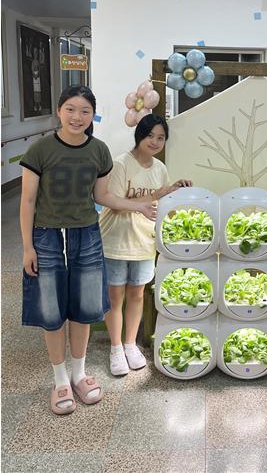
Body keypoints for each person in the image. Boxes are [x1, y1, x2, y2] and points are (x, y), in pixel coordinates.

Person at [20, 85, 156, 416]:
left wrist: (137, 206)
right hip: (47, 237)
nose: (77, 117)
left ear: (91, 115)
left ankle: (79, 374)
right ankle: (60, 380)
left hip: (87, 236)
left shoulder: (98, 151)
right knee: (51, 312)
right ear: (58, 111)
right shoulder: (40, 150)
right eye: (70, 109)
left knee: (83, 308)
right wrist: (27, 247)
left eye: (84, 111)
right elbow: (26, 201)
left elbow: (102, 197)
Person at [99, 114, 192, 376]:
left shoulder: (160, 169)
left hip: (143, 242)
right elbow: (113, 203)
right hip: (116, 241)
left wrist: (176, 191)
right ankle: (115, 348)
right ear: (139, 135)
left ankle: (130, 344)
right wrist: (152, 197)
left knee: (137, 295)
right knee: (115, 298)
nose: (155, 141)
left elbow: (160, 204)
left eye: (160, 137)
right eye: (150, 135)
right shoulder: (120, 164)